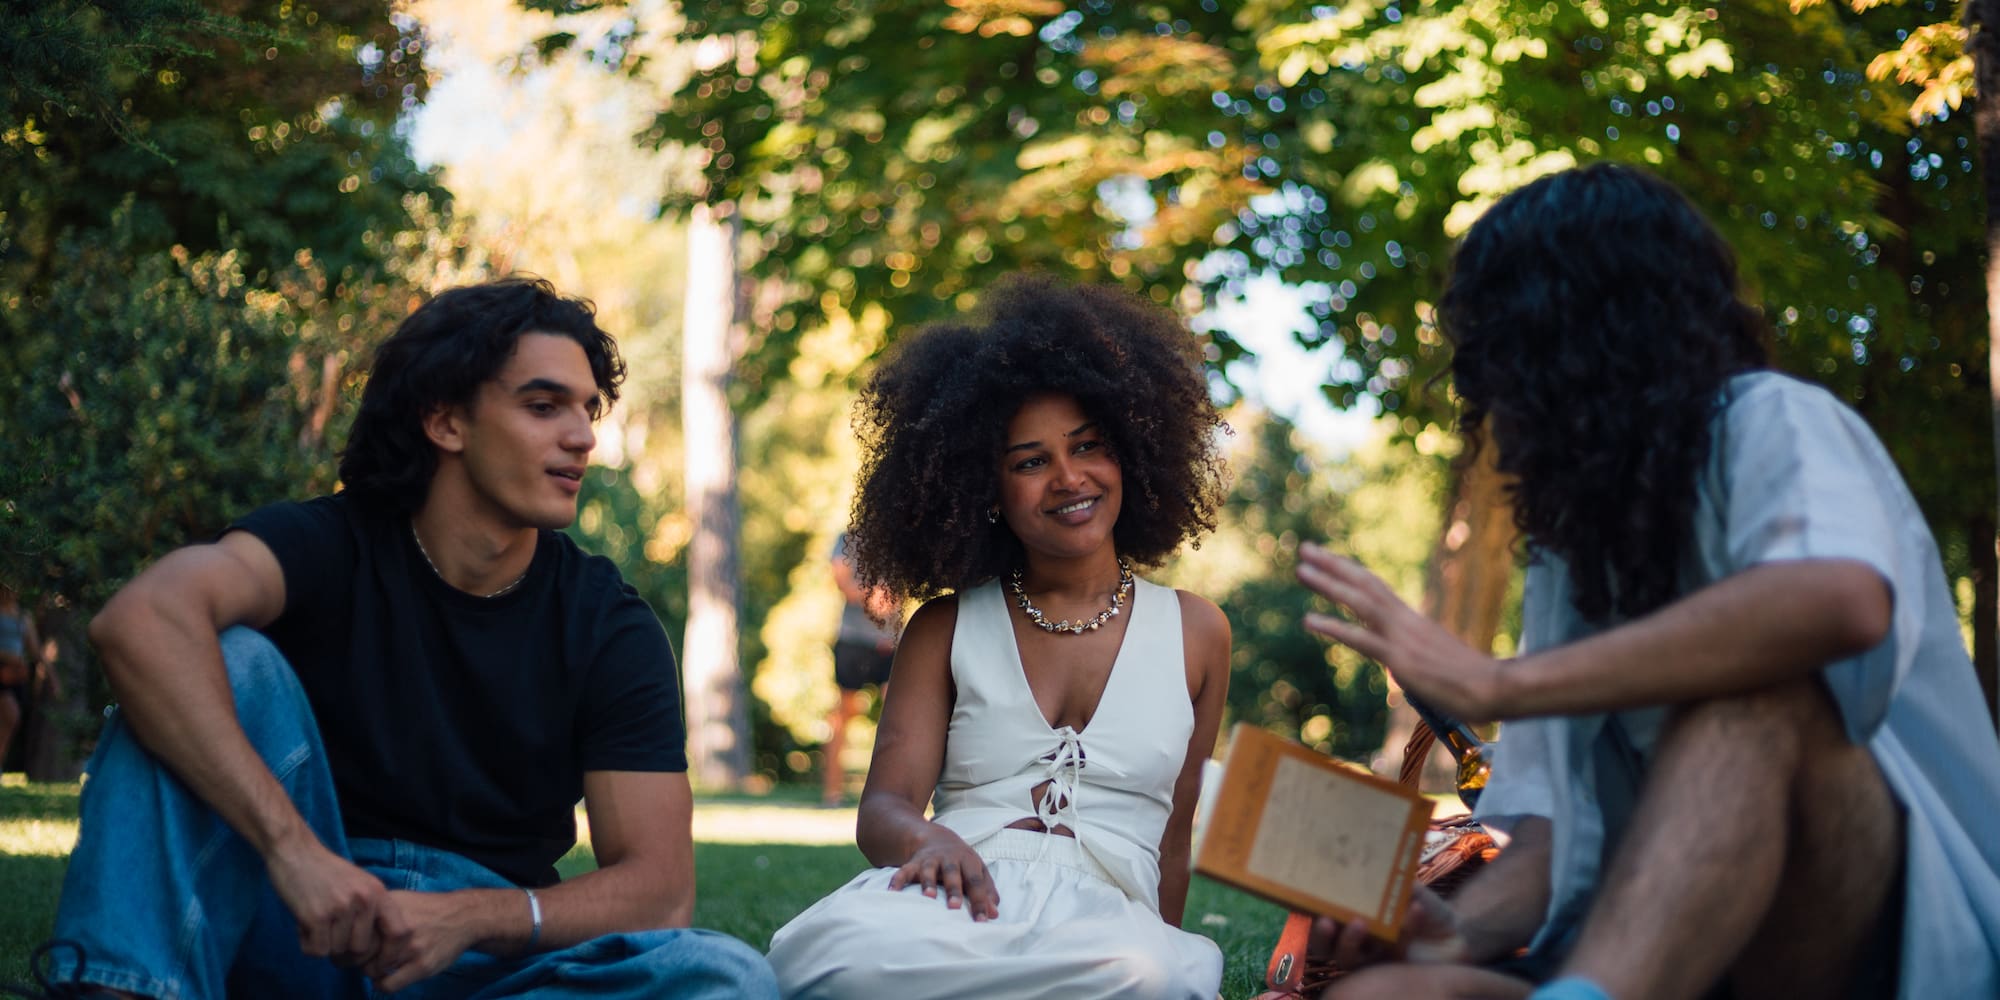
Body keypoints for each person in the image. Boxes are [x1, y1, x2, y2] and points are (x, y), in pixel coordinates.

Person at [1295, 163, 2000, 1000]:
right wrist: (1457, 935)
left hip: (1869, 946)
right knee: (1382, 998)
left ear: (1571, 345)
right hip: (1660, 962)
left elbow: (1838, 600)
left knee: (1756, 691)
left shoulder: (1772, 420)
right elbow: (1562, 824)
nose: (1485, 392)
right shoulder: (1572, 542)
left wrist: (1499, 682)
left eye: (1499, 353)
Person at [26, 278, 777, 999]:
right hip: (303, 919)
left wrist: (472, 917)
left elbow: (660, 889)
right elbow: (140, 620)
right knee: (220, 655)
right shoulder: (324, 545)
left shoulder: (607, 622)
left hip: (490, 960)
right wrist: (296, 854)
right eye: (544, 406)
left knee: (723, 979)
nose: (582, 437)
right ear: (445, 421)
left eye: (587, 409)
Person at [765, 274, 1234, 999]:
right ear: (984, 487)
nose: (1068, 478)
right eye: (1030, 461)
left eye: (1089, 447)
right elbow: (884, 808)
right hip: (952, 898)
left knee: (1148, 975)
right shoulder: (944, 627)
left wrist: (1166, 940)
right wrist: (927, 840)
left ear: (1132, 456)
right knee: (834, 961)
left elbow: (1174, 833)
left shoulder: (1198, 632)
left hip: (1112, 934)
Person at [821, 532, 899, 807]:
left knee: (898, 716)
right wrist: (872, 597)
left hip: (888, 642)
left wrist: (889, 598)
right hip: (853, 640)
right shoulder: (846, 539)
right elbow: (841, 581)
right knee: (842, 715)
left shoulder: (898, 540)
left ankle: (895, 791)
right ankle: (832, 793)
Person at [0, 583, 46, 771]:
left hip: (16, 673)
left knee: (11, 720)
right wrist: (8, 657)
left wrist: (50, 676)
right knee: (11, 715)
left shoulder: (23, 616)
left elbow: (35, 650)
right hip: (3, 668)